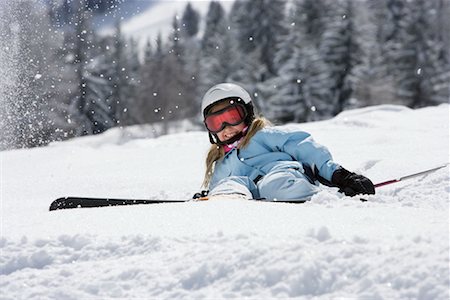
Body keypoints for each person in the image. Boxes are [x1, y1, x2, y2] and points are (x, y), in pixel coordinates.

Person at [198, 82, 375, 201]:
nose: (226, 127)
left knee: (273, 185)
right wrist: (210, 195)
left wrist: (340, 175)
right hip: (251, 192)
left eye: (232, 117)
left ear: (247, 113)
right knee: (230, 184)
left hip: (284, 173)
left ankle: (323, 196)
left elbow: (305, 149)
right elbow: (218, 184)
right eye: (217, 123)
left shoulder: (263, 135)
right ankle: (227, 201)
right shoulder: (221, 163)